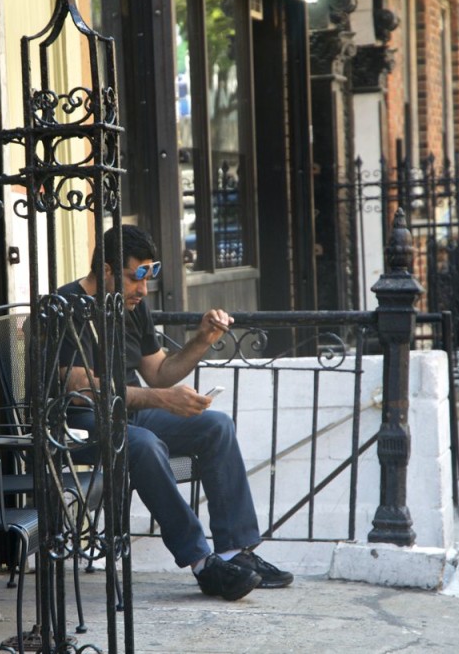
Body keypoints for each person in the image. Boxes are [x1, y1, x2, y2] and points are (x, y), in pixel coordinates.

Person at [57, 224, 292, 600]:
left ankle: (235, 553)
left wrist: (201, 340)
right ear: (106, 270)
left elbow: (159, 373)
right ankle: (202, 563)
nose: (143, 289)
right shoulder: (67, 305)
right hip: (79, 424)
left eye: (148, 277)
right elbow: (81, 388)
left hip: (126, 414)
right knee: (145, 444)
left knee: (215, 425)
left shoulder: (130, 306)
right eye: (136, 277)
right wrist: (161, 399)